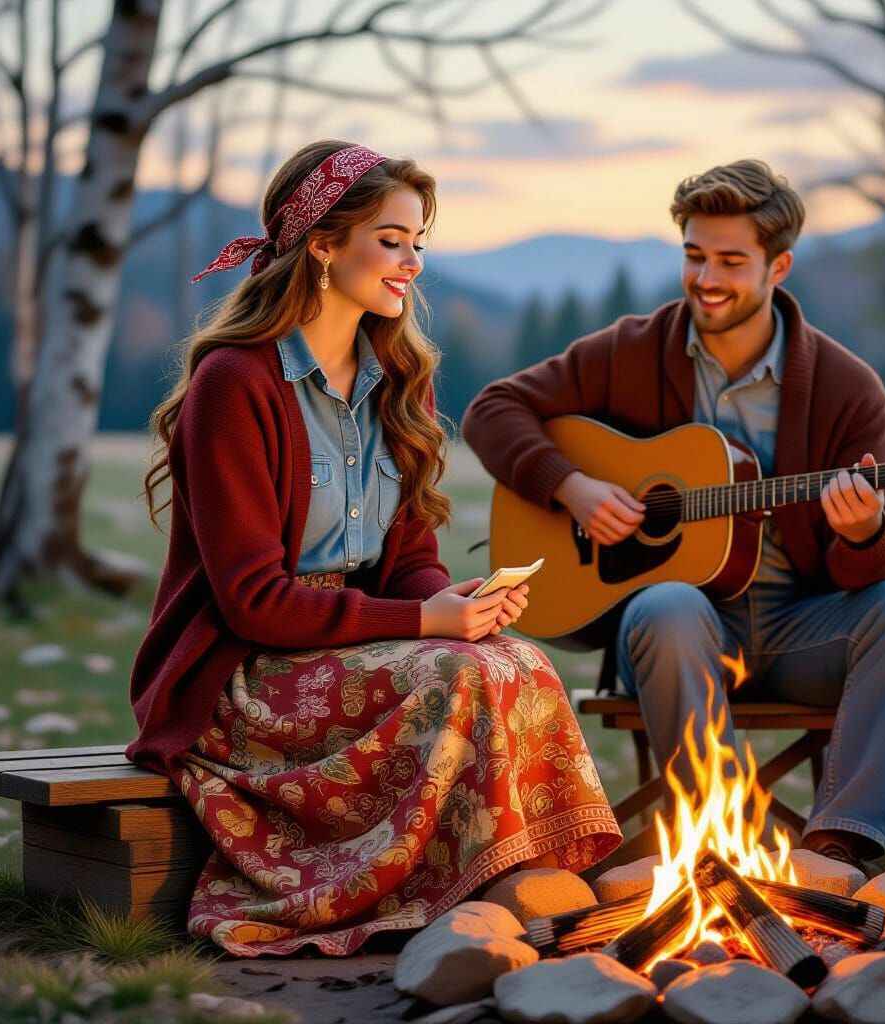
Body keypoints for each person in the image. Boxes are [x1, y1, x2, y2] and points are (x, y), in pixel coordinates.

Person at [128, 141, 621, 957]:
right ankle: (459, 896)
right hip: (246, 667)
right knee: (456, 672)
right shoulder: (236, 381)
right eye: (392, 240)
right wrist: (424, 622)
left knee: (519, 659)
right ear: (321, 243)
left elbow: (409, 560)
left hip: (361, 643)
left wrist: (454, 600)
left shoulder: (396, 376)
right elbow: (253, 599)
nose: (413, 265)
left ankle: (524, 879)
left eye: (418, 243)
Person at [462, 159, 885, 869]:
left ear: (778, 266)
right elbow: (491, 409)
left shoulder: (848, 389)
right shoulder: (631, 350)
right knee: (666, 603)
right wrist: (572, 487)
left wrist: (863, 532)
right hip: (675, 636)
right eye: (694, 256)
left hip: (800, 630)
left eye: (730, 261)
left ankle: (837, 847)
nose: (707, 279)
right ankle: (717, 845)